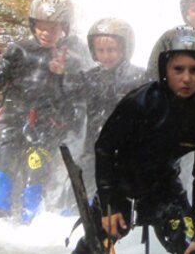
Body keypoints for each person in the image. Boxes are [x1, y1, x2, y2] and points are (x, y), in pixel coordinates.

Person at [56, 26, 195, 254]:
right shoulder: (140, 102)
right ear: (164, 69)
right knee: (90, 252)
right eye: (178, 69)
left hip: (165, 190)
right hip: (122, 189)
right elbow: (105, 149)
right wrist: (109, 204)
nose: (187, 78)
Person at [0, 0, 86, 226]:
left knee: (35, 168)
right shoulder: (18, 50)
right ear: (33, 25)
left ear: (64, 28)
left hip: (46, 126)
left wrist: (60, 76)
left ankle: (30, 228)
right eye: (41, 26)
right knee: (2, 167)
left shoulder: (73, 58)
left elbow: (73, 103)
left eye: (53, 27)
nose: (46, 33)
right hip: (12, 121)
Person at [51, 18, 146, 188]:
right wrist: (58, 77)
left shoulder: (140, 77)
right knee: (77, 198)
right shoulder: (89, 78)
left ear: (125, 48)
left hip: (127, 153)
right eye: (100, 50)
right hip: (94, 152)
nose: (106, 56)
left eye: (112, 50)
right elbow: (64, 103)